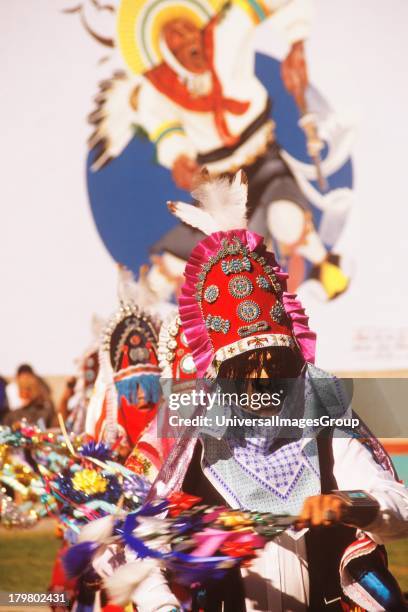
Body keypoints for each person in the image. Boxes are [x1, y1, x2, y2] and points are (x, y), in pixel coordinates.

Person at [132, 172, 408, 611]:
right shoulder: (185, 434)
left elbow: (398, 507)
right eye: (247, 369)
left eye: (277, 364)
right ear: (220, 372)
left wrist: (348, 504)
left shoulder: (320, 421)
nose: (265, 383)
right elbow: (135, 540)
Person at [114, 0, 349, 299]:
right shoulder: (158, 89)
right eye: (176, 41)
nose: (189, 42)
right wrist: (178, 158)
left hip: (263, 159)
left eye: (190, 31)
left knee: (287, 218)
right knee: (185, 258)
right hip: (219, 185)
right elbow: (164, 128)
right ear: (165, 53)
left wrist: (296, 41)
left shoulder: (225, 36)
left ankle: (325, 265)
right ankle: (144, 308)